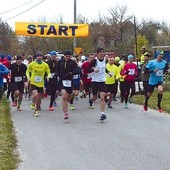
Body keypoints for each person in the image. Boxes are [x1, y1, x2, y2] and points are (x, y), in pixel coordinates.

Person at [26, 51, 51, 117]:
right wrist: (28, 78)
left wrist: (48, 77)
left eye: (40, 56)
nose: (39, 57)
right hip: (33, 82)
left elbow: (48, 72)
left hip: (41, 83)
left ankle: (36, 110)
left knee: (39, 98)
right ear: (36, 57)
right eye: (38, 56)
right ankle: (33, 102)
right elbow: (27, 71)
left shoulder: (45, 65)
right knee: (35, 95)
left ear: (42, 57)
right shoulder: (32, 64)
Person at [87, 47, 107, 121]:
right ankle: (91, 99)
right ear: (98, 53)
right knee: (95, 97)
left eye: (103, 52)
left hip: (102, 81)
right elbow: (87, 69)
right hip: (95, 81)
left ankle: (102, 113)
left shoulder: (105, 60)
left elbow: (105, 69)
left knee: (102, 97)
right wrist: (94, 70)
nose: (102, 54)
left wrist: (109, 72)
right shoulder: (94, 61)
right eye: (100, 52)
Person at [57, 50, 77, 119]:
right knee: (64, 96)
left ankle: (65, 106)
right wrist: (59, 75)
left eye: (69, 56)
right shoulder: (60, 62)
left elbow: (76, 70)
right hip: (62, 81)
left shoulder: (73, 62)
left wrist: (72, 73)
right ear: (64, 56)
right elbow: (57, 70)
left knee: (68, 97)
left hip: (69, 81)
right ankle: (65, 113)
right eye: (66, 56)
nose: (68, 57)